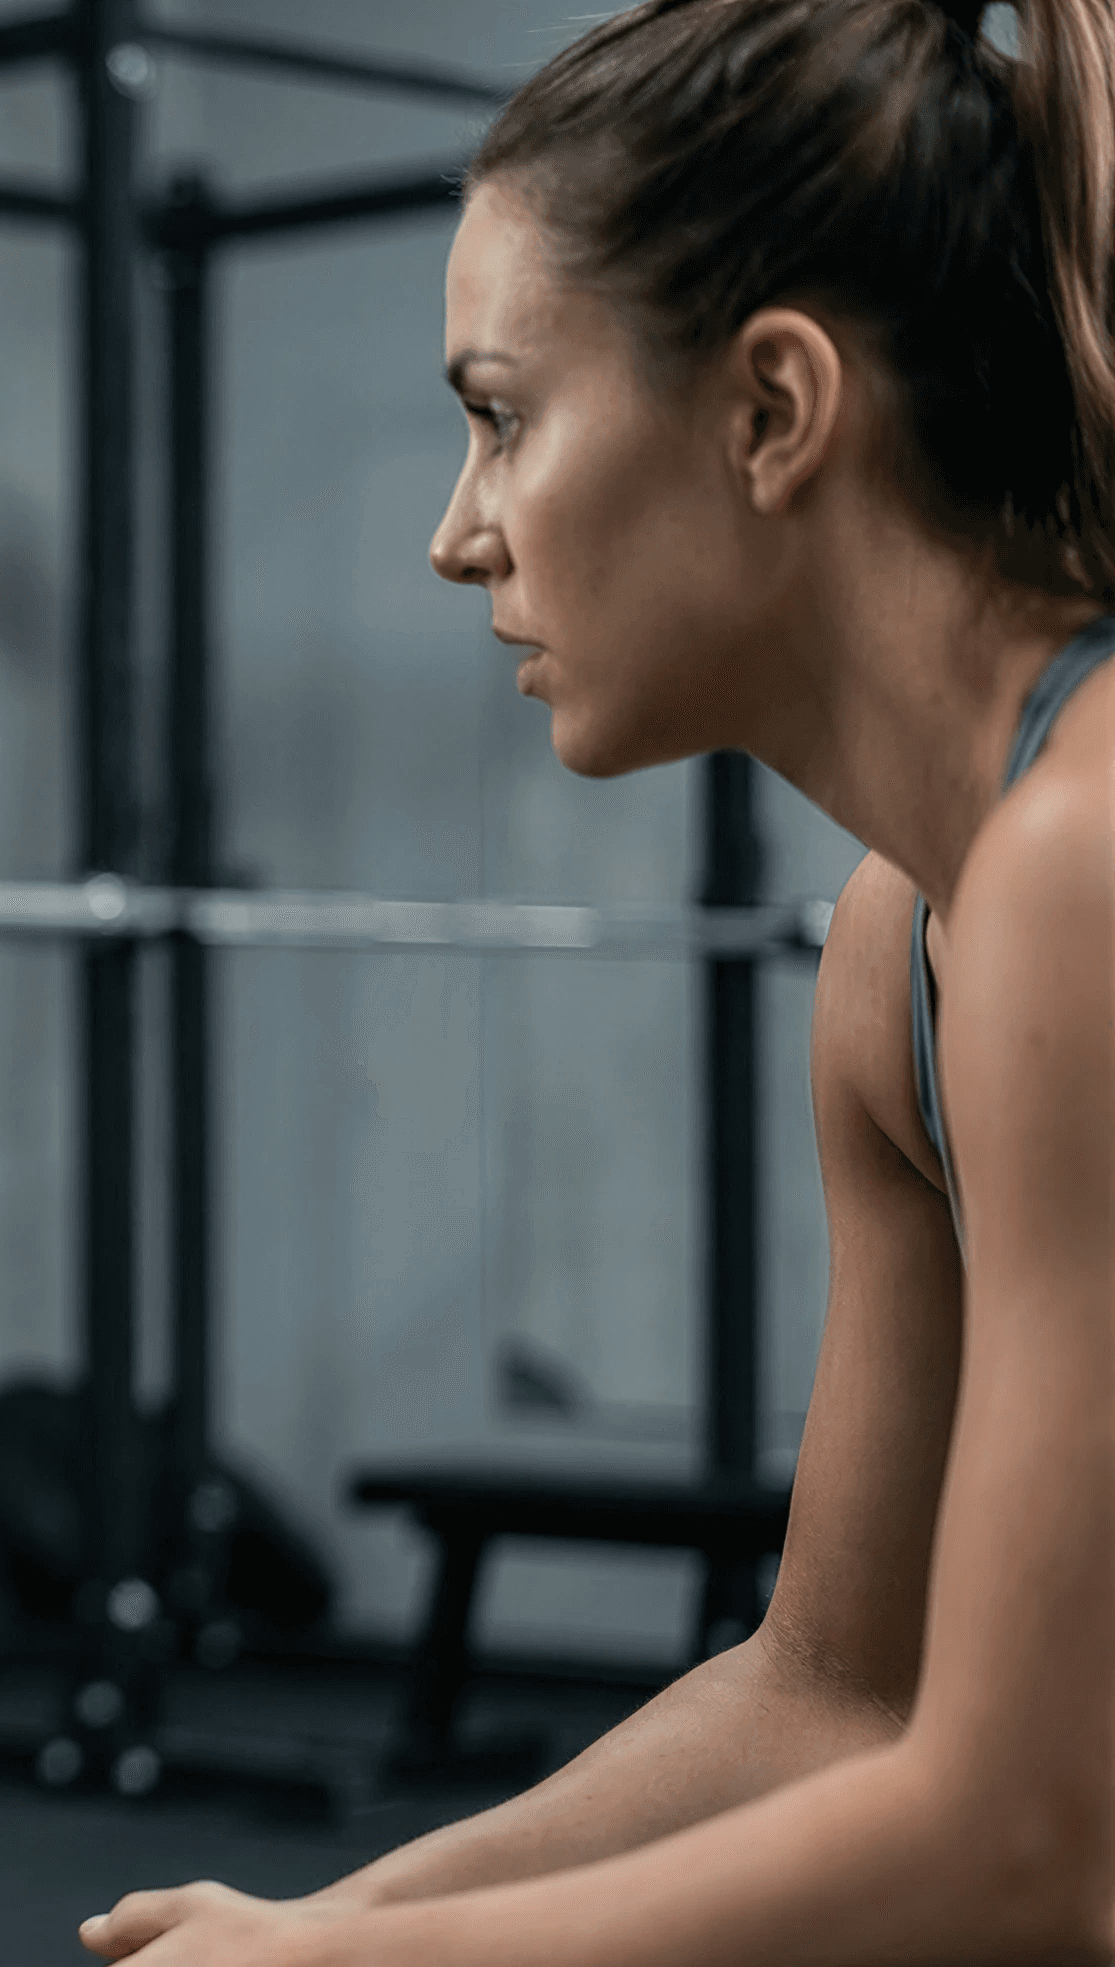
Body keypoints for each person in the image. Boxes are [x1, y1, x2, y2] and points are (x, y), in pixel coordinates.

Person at [80, 0, 1115, 1961]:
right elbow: (828, 1678)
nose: (455, 532)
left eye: (501, 414)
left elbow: (1030, 1846)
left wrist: (347, 1965)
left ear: (769, 411)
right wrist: (323, 1912)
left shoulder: (1089, 859)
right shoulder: (905, 935)